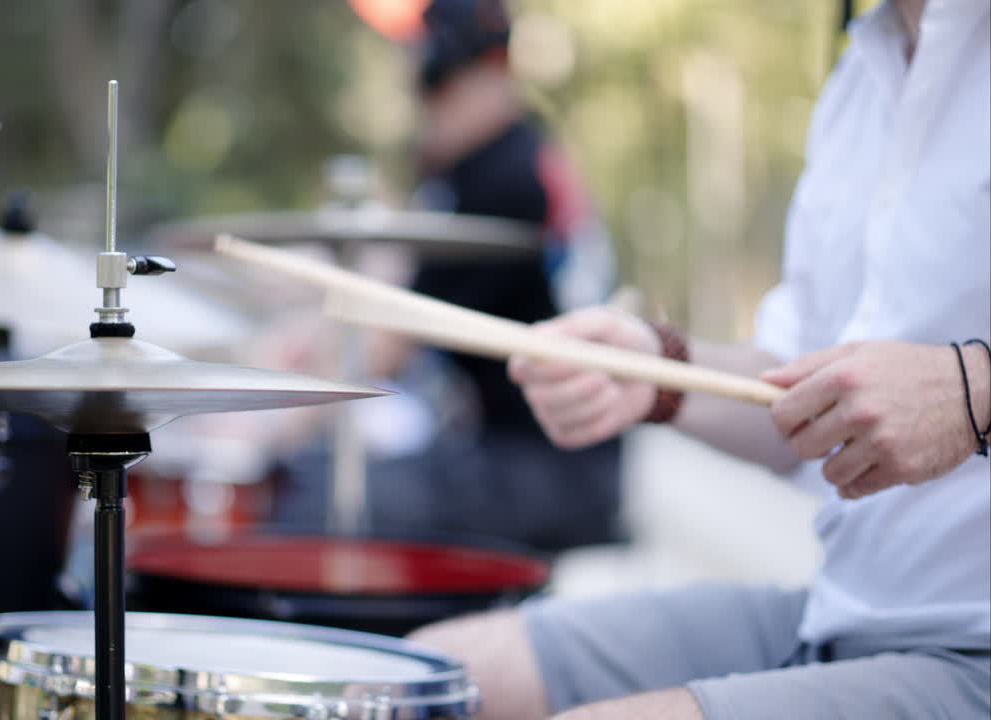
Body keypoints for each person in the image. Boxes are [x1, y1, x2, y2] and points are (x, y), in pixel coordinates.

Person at [406, 0, 990, 717]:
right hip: (839, 614)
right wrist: (656, 373)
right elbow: (797, 392)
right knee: (433, 676)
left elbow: (951, 392)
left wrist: (973, 391)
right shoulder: (856, 77)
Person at [270, 0, 624, 553]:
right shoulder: (509, 156)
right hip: (532, 456)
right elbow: (394, 290)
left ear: (486, 73)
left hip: (547, 468)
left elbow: (390, 340)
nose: (425, 109)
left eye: (434, 89)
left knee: (308, 496)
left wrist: (272, 425)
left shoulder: (502, 180)